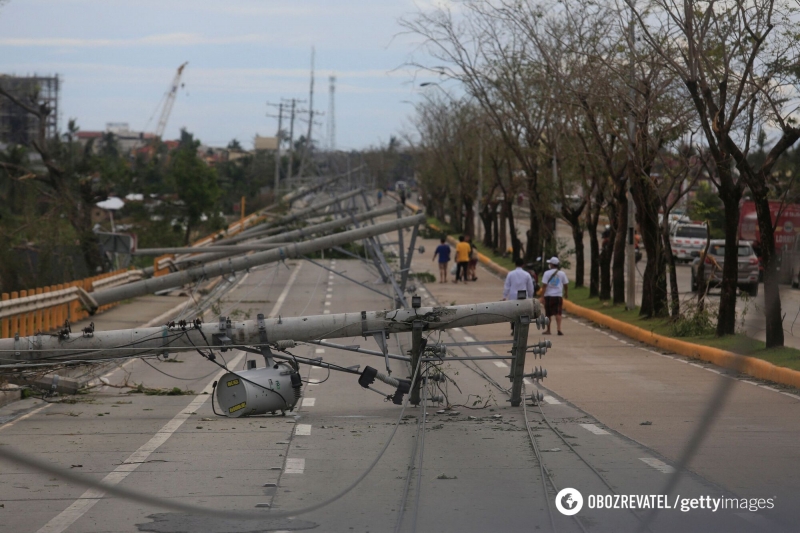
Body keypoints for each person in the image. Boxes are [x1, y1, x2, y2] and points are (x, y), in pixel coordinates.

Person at [541, 256, 569, 336]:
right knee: (558, 313)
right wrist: (566, 293)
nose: (549, 264)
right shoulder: (562, 273)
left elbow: (544, 286)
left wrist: (542, 297)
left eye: (550, 263)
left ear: (552, 264)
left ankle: (548, 330)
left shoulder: (546, 273)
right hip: (558, 296)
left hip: (548, 296)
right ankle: (559, 329)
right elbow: (566, 284)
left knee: (548, 314)